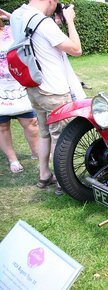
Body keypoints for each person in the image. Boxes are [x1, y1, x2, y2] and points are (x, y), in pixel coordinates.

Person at [10, 0, 82, 195]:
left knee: (44, 133)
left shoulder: (17, 15)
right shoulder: (44, 23)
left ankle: (44, 175)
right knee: (61, 137)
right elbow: (76, 49)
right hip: (54, 91)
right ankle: (62, 181)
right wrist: (70, 21)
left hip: (33, 86)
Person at [0, 9, 39, 173]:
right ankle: (13, 160)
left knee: (31, 123)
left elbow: (29, 29)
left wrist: (10, 17)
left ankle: (37, 153)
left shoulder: (10, 30)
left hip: (19, 83)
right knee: (2, 126)